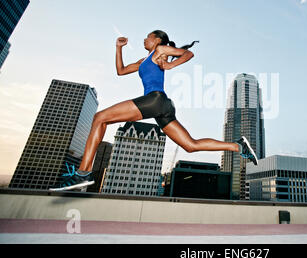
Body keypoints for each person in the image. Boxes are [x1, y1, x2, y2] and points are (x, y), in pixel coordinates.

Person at [49, 30, 258, 191]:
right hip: (162, 107)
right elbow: (121, 71)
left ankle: (83, 174)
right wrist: (118, 47)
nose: (144, 40)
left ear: (157, 40)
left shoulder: (160, 51)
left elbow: (189, 53)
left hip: (154, 99)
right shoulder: (144, 61)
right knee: (190, 145)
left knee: (100, 117)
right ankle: (238, 147)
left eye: (147, 37)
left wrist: (171, 66)